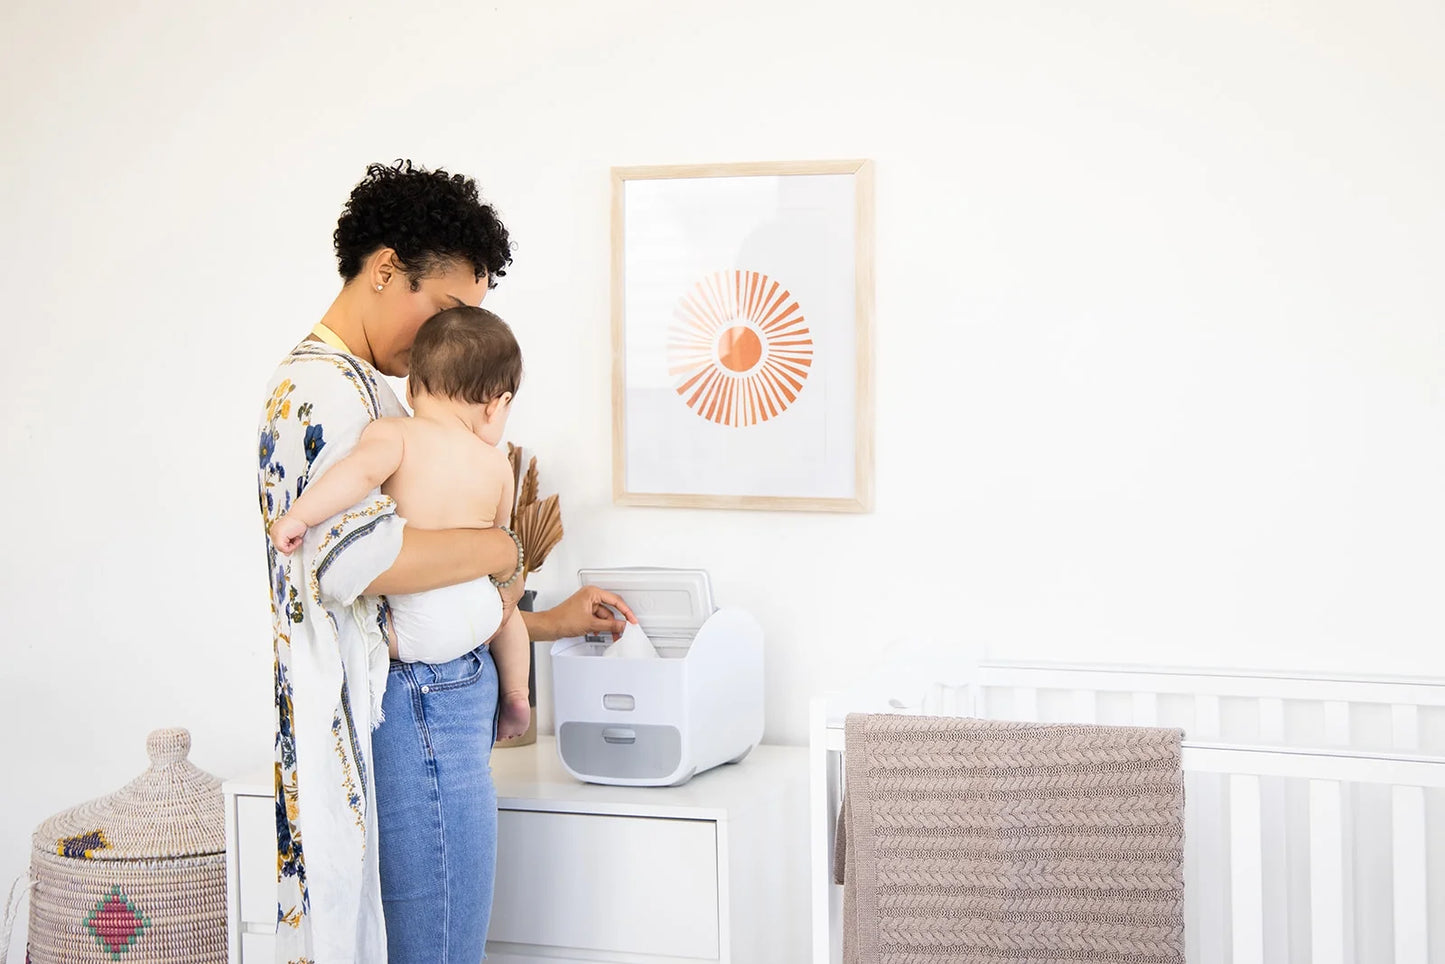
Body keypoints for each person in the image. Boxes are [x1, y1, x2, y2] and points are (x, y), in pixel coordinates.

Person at [255, 160, 635, 964]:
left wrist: (544, 619)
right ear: (387, 269)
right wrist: (504, 546)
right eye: (450, 307)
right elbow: (357, 564)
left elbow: (429, 591)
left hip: (416, 694)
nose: (448, 339)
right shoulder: (326, 390)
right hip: (408, 703)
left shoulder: (379, 392)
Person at [268, 305, 534, 742]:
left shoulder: (395, 434)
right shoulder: (497, 464)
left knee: (352, 623)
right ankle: (518, 696)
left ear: (411, 388)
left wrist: (299, 516)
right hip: (482, 616)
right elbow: (499, 544)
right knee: (511, 619)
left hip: (417, 626)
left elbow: (357, 476)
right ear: (497, 405)